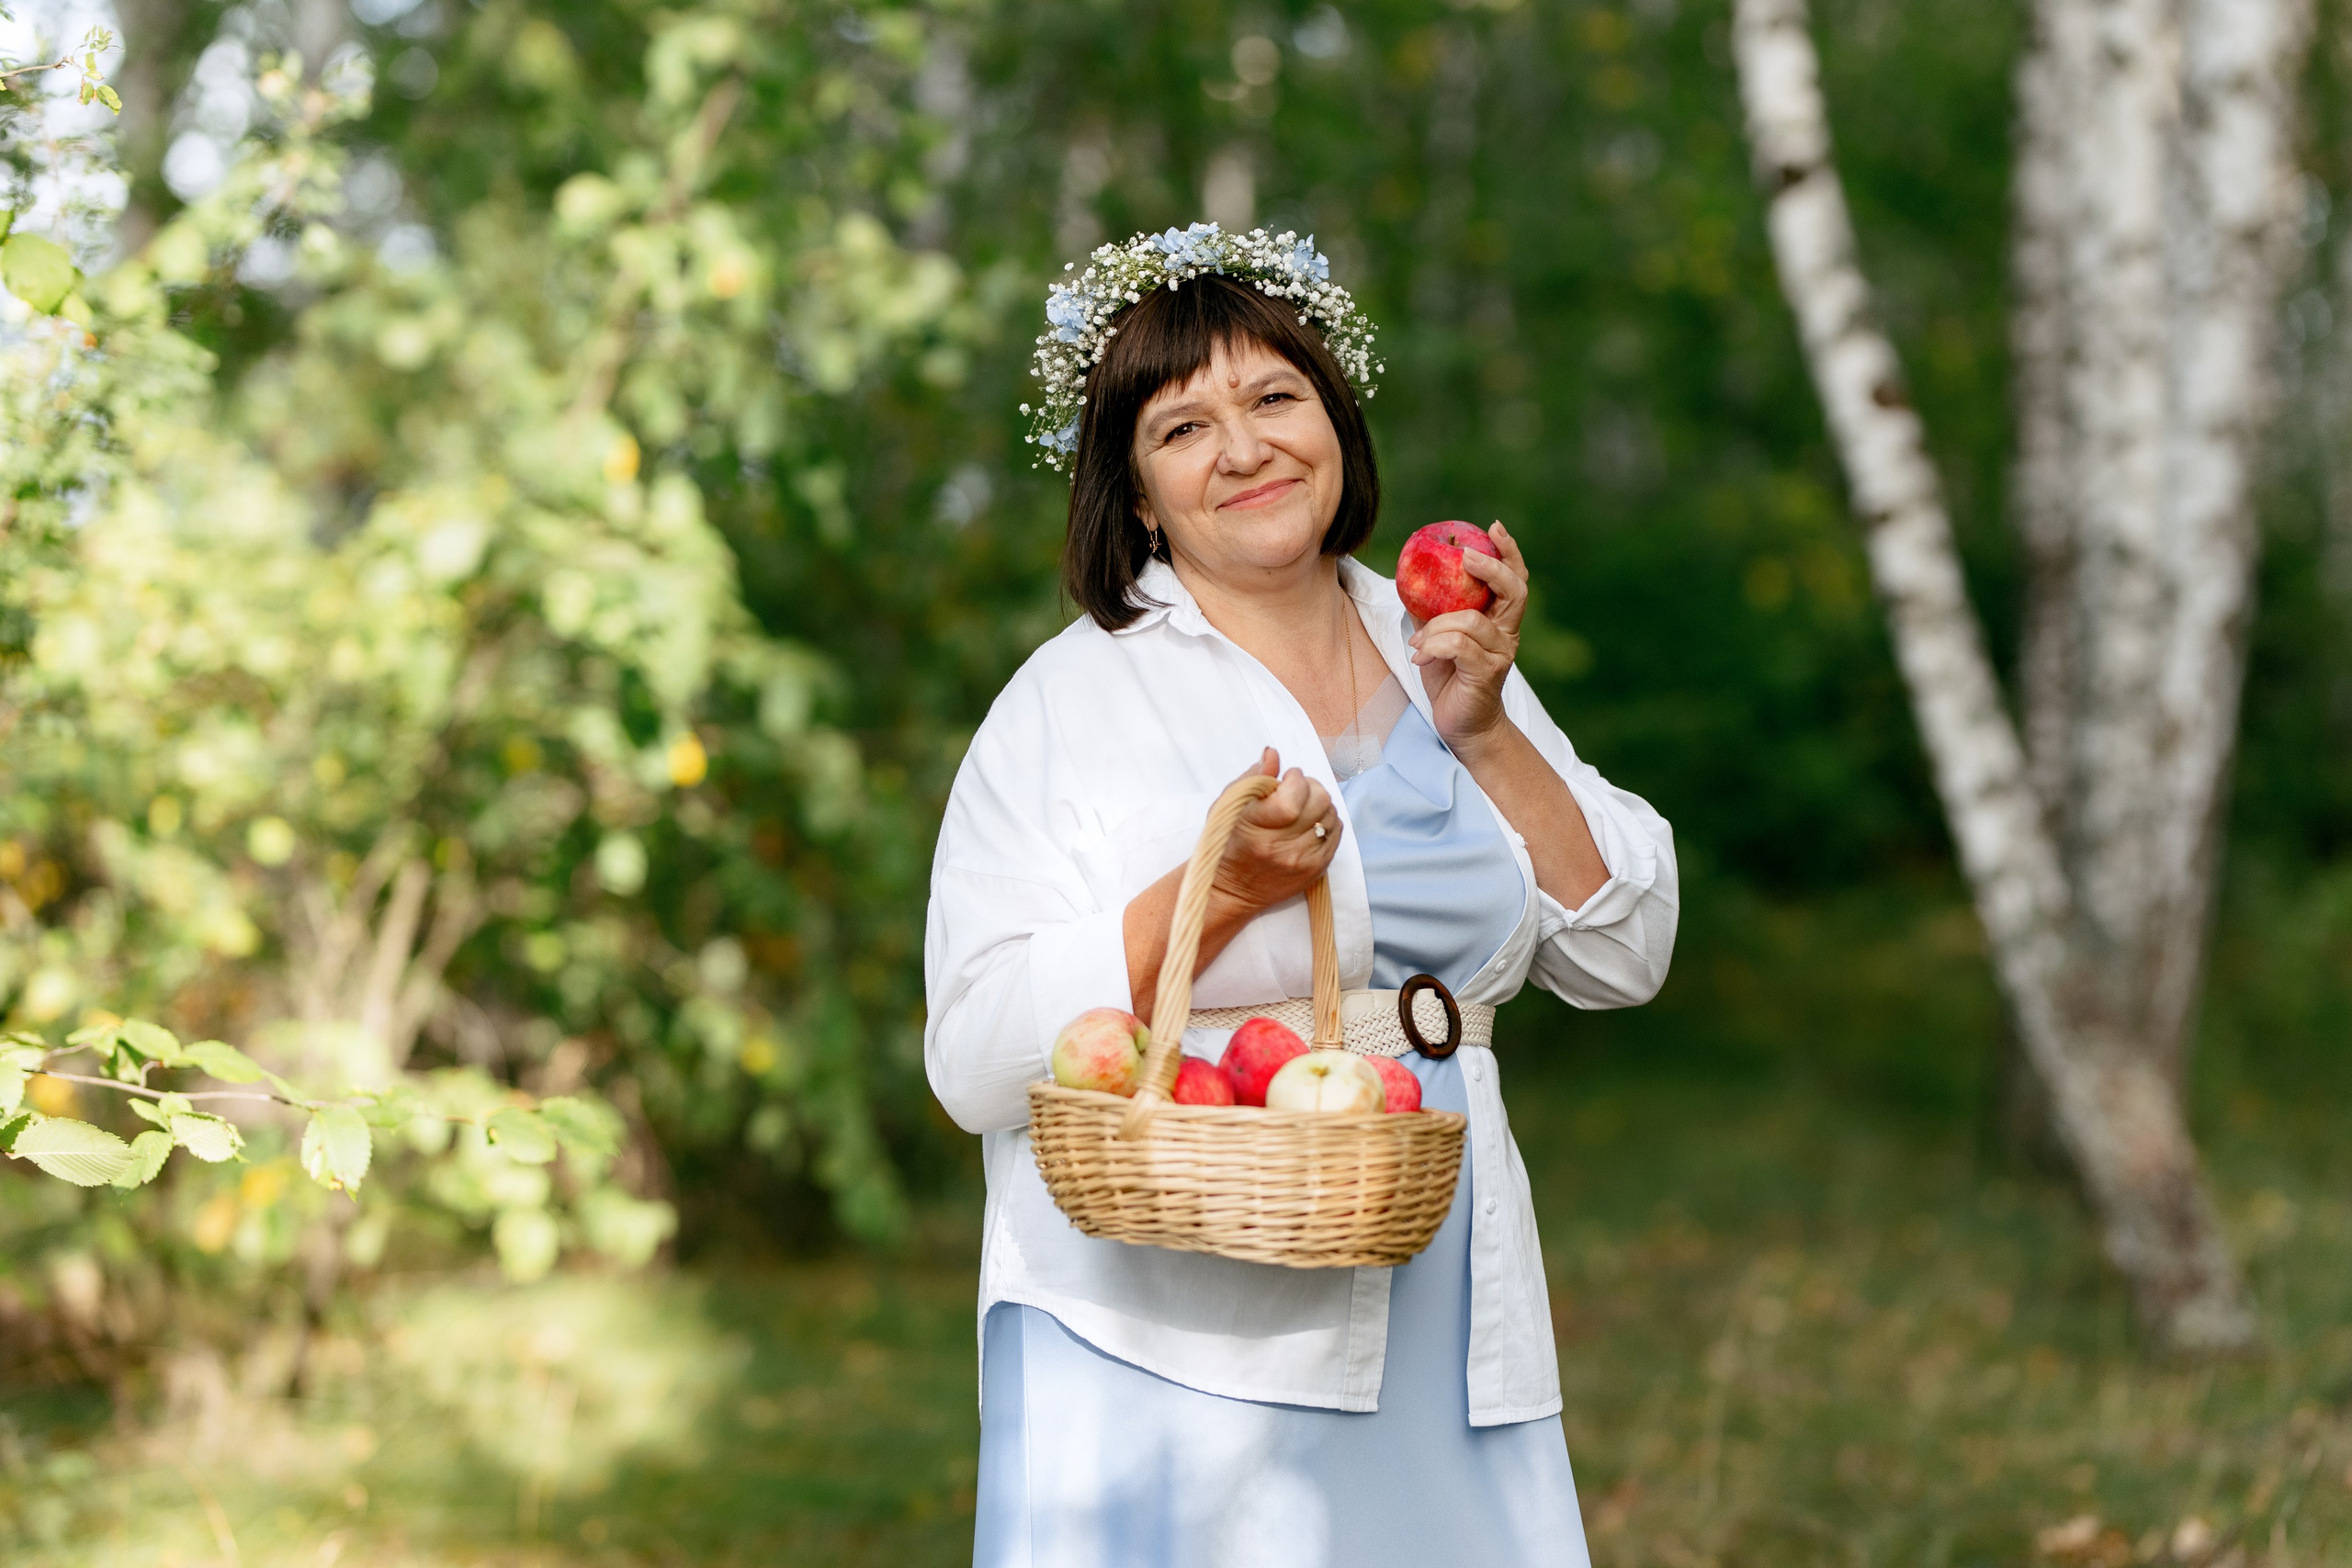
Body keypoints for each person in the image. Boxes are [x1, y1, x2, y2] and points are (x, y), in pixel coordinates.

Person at [924, 224, 1679, 1568]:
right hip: (1180, 1327)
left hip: (1442, 1278)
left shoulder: (1440, 645)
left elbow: (1624, 952)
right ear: (1139, 494)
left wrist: (1489, 730)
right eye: (1184, 426)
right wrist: (1213, 905)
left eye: (1277, 398)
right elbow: (973, 1055)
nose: (1248, 446)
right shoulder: (1071, 701)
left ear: (1336, 423)